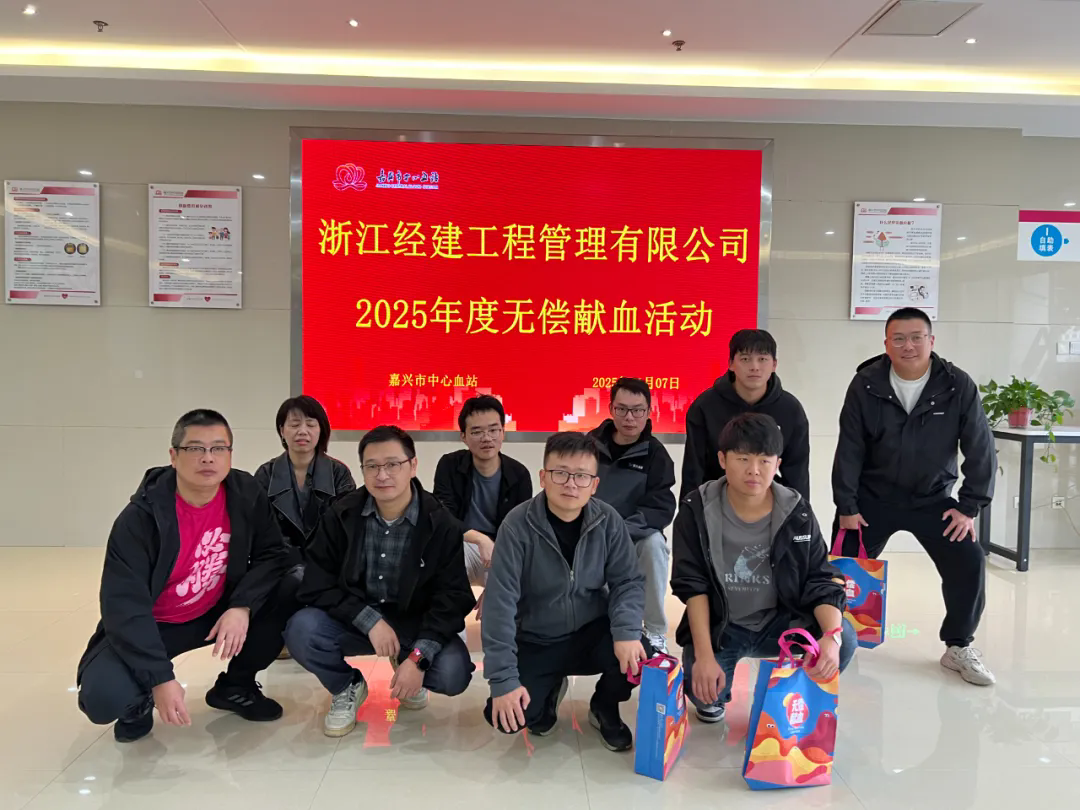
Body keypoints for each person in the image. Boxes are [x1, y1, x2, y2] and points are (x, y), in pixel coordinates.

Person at [76, 409, 295, 743]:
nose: (208, 458)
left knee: (292, 583)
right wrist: (160, 679)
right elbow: (124, 607)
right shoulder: (140, 519)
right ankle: (137, 703)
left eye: (218, 448)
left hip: (215, 610)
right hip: (155, 623)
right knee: (103, 697)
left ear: (230, 454)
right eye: (195, 448)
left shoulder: (245, 492)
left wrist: (242, 605)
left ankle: (236, 686)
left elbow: (272, 554)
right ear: (173, 456)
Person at [832, 307, 996, 685]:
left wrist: (968, 507)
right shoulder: (866, 384)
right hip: (872, 499)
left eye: (916, 337)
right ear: (886, 344)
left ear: (931, 341)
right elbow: (850, 447)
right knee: (838, 568)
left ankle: (958, 645)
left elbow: (980, 447)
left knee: (969, 561)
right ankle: (832, 637)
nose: (908, 346)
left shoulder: (956, 385)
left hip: (933, 499)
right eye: (899, 339)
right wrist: (847, 505)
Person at [284, 426, 476, 738]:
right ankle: (346, 686)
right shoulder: (342, 514)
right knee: (301, 630)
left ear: (413, 466)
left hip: (414, 623)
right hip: (355, 619)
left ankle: (405, 662)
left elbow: (452, 598)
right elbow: (317, 582)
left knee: (453, 673)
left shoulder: (440, 523)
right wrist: (369, 620)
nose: (382, 475)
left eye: (392, 464)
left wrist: (418, 658)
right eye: (372, 466)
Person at [672, 413, 855, 724]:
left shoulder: (796, 511)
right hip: (724, 625)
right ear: (722, 459)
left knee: (845, 637)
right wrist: (703, 656)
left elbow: (820, 578)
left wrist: (831, 636)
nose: (753, 470)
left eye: (764, 460)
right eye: (743, 458)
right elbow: (693, 585)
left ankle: (797, 696)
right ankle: (713, 683)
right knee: (705, 694)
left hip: (782, 621)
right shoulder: (697, 509)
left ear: (777, 464)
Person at [482, 432, 650, 752]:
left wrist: (627, 632)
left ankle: (604, 706)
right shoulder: (517, 526)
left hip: (591, 633)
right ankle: (547, 693)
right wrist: (503, 680)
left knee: (641, 654)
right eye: (560, 473)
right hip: (537, 638)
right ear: (543, 477)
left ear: (594, 484)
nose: (571, 484)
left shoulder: (608, 521)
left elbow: (627, 581)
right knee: (508, 718)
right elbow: (499, 605)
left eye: (582, 476)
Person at [588, 378, 676, 653]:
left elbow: (660, 507)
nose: (629, 417)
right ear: (611, 409)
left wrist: (621, 531)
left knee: (654, 545)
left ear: (649, 412)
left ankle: (655, 631)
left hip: (634, 535)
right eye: (622, 409)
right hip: (591, 532)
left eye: (637, 410)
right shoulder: (589, 445)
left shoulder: (656, 455)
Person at [681, 328, 810, 502]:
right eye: (745, 359)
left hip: (769, 504)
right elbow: (693, 469)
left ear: (774, 365)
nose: (754, 367)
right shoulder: (705, 406)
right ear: (731, 364)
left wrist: (799, 513)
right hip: (716, 503)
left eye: (762, 359)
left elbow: (797, 472)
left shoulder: (790, 409)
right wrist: (690, 511)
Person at [433, 395, 532, 595]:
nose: (487, 438)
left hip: (501, 550)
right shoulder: (449, 465)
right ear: (463, 437)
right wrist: (479, 539)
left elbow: (521, 530)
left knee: (516, 584)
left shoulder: (519, 474)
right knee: (440, 560)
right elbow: (443, 516)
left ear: (503, 432)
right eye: (477, 432)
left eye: (493, 430)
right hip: (464, 543)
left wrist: (499, 561)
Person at [254, 395, 356, 568]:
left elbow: (345, 527)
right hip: (279, 566)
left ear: (321, 430)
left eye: (310, 424)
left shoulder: (338, 473)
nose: (302, 431)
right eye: (294, 425)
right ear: (282, 431)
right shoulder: (266, 474)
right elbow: (261, 530)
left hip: (328, 564)